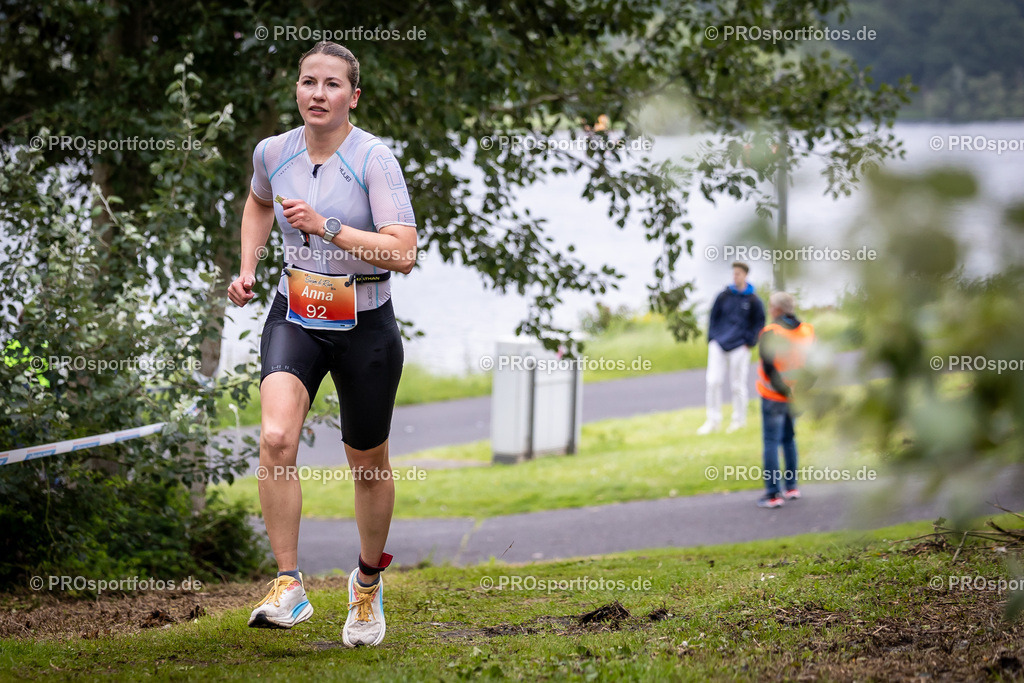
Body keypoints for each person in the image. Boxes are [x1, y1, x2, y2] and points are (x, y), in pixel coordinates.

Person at [227, 41, 417, 647]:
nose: (318, 93)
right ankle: (289, 584)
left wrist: (328, 226)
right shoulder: (272, 152)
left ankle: (366, 585)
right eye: (309, 81)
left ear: (352, 97)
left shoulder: (374, 160)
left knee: (368, 464)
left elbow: (404, 253)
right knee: (276, 437)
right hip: (297, 312)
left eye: (332, 84)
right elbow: (258, 203)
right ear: (297, 90)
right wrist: (249, 266)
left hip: (365, 322)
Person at [755, 292, 815, 509]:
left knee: (771, 442)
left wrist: (785, 392)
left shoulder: (771, 332)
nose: (770, 310)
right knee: (789, 439)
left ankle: (773, 494)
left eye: (771, 306)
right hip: (795, 395)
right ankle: (791, 487)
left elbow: (769, 368)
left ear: (778, 309)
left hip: (774, 396)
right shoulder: (807, 331)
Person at [697, 262, 765, 434]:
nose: (735, 277)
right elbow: (713, 318)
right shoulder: (723, 296)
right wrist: (712, 338)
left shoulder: (753, 300)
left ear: (745, 275)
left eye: (738, 274)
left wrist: (749, 342)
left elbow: (759, 323)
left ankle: (738, 420)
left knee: (737, 385)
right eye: (734, 273)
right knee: (713, 381)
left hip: (740, 346)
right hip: (719, 343)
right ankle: (713, 420)